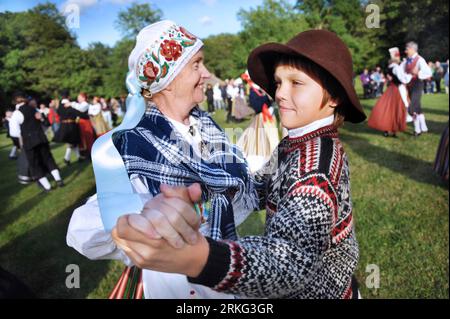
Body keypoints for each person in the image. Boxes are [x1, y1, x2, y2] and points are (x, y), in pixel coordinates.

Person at [111, 29, 366, 299]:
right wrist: (216, 193)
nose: (279, 93)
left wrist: (202, 258)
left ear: (334, 97)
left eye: (296, 83)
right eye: (279, 83)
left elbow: (292, 262)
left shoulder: (314, 165)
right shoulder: (295, 144)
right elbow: (264, 186)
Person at [67, 20, 258, 299]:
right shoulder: (138, 144)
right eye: (196, 65)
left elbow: (235, 185)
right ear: (166, 82)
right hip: (183, 288)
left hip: (230, 271)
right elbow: (80, 231)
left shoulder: (203, 123)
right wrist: (145, 214)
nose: (206, 74)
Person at [10, 93, 63, 191]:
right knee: (48, 159)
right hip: (41, 138)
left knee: (34, 164)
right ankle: (59, 180)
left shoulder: (17, 113)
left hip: (29, 142)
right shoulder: (34, 109)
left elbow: (14, 132)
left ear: (15, 102)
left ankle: (48, 187)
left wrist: (20, 142)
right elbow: (46, 123)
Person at [368, 58, 409, 137]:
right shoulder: (396, 67)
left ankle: (387, 130)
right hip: (397, 89)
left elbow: (390, 78)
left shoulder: (389, 68)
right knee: (397, 109)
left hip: (391, 89)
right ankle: (393, 130)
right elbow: (402, 79)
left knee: (388, 109)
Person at [400, 41, 432, 136]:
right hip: (409, 86)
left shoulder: (420, 60)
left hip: (418, 84)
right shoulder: (406, 61)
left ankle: (417, 129)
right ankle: (424, 127)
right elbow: (401, 72)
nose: (405, 51)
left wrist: (418, 73)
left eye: (407, 49)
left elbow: (429, 73)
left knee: (411, 108)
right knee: (417, 107)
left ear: (412, 49)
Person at [71, 92, 95, 158]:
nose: (78, 99)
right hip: (81, 122)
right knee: (83, 138)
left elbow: (81, 108)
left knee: (88, 137)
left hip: (85, 122)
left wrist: (71, 103)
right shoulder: (80, 104)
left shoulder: (85, 104)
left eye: (79, 98)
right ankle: (86, 153)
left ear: (83, 98)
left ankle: (91, 152)